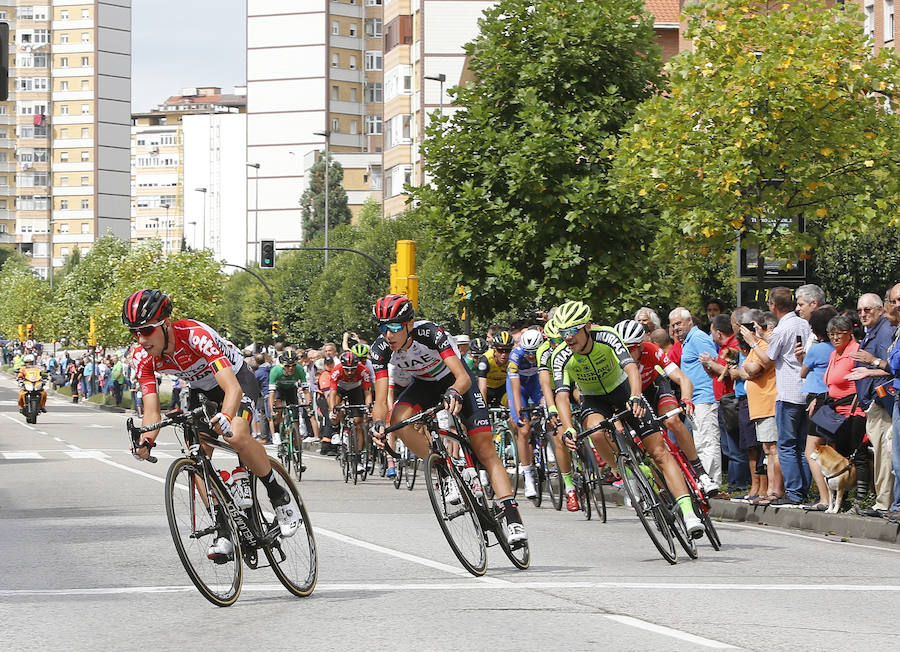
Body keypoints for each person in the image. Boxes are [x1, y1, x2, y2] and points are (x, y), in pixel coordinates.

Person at [123, 289, 301, 561]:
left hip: (236, 380)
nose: (140, 338)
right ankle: (225, 528)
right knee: (196, 461)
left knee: (236, 435)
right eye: (134, 332)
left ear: (165, 324)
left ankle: (278, 494)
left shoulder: (195, 336)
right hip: (201, 390)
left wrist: (227, 416)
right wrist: (146, 441)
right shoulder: (143, 357)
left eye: (146, 330)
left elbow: (231, 388)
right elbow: (151, 409)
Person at [369, 294, 527, 544]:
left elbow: (462, 377)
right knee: (397, 419)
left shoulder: (431, 333)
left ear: (409, 324)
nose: (389, 334)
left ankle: (512, 517)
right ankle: (444, 471)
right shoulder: (379, 350)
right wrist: (378, 424)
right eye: (383, 327)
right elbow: (379, 401)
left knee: (485, 449)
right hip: (424, 385)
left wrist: (454, 391)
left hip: (456, 381)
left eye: (395, 327)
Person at [553, 301, 704, 537]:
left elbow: (632, 369)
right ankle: (626, 472)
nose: (568, 338)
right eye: (563, 333)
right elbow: (561, 395)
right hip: (593, 399)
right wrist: (569, 428)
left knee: (659, 453)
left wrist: (635, 396)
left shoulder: (608, 337)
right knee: (595, 431)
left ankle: (688, 512)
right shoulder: (560, 355)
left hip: (622, 390)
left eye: (572, 331)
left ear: (588, 327)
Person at [615, 319, 719, 496]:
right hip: (629, 397)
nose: (626, 353)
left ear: (640, 346)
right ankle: (661, 486)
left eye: (631, 348)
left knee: (672, 420)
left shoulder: (652, 350)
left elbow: (683, 379)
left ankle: (701, 473)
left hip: (653, 388)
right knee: (647, 446)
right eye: (623, 348)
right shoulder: (614, 360)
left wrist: (686, 399)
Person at [740, 287, 812, 507]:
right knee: (801, 445)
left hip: (788, 392)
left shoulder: (783, 329)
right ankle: (803, 490)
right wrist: (763, 336)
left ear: (773, 305)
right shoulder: (803, 324)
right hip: (805, 390)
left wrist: (753, 341)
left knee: (787, 445)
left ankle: (793, 491)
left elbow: (768, 357)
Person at [844, 293, 896, 516]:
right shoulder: (873, 331)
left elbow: (891, 366)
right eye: (860, 310)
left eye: (868, 309)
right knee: (880, 453)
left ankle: (883, 502)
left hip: (883, 401)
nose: (863, 314)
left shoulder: (884, 331)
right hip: (872, 401)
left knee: (884, 454)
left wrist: (870, 372)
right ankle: (883, 500)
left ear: (880, 310)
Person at [669, 307, 722, 486]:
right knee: (700, 442)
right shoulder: (687, 341)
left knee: (707, 441)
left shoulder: (698, 338)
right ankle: (705, 482)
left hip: (705, 397)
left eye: (679, 323)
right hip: (695, 399)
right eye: (673, 325)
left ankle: (712, 481)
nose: (676, 328)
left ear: (690, 321)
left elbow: (715, 363)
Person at [798, 306, 839, 510]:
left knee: (811, 451)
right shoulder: (839, 349)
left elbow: (803, 372)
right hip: (835, 399)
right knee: (831, 448)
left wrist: (801, 358)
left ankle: (824, 498)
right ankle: (837, 495)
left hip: (816, 398)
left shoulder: (816, 349)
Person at [507, 328, 546, 499]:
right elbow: (515, 389)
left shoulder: (545, 352)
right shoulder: (515, 355)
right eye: (528, 353)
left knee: (552, 415)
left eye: (534, 353)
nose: (531, 356)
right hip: (520, 388)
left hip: (536, 384)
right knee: (523, 429)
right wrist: (519, 412)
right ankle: (528, 475)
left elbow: (547, 381)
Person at [327, 350, 373, 473]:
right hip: (340, 389)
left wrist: (368, 407)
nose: (349, 372)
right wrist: (332, 410)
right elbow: (332, 393)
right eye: (347, 369)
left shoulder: (363, 371)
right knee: (336, 407)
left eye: (352, 369)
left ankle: (357, 459)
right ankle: (335, 431)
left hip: (355, 390)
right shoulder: (336, 371)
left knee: (358, 423)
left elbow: (367, 392)